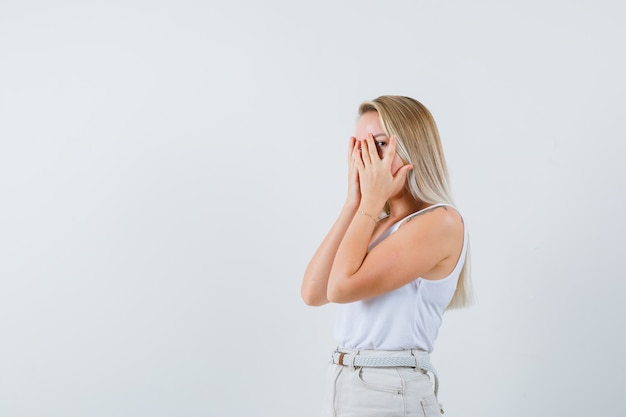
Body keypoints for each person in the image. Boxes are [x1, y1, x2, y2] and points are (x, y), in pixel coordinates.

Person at [301, 95, 472, 417]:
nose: (367, 158)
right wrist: (354, 202)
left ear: (411, 147)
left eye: (379, 144)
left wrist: (369, 202)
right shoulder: (375, 223)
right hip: (344, 380)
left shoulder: (440, 221)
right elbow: (314, 292)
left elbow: (340, 289)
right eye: (360, 146)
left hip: (389, 387)